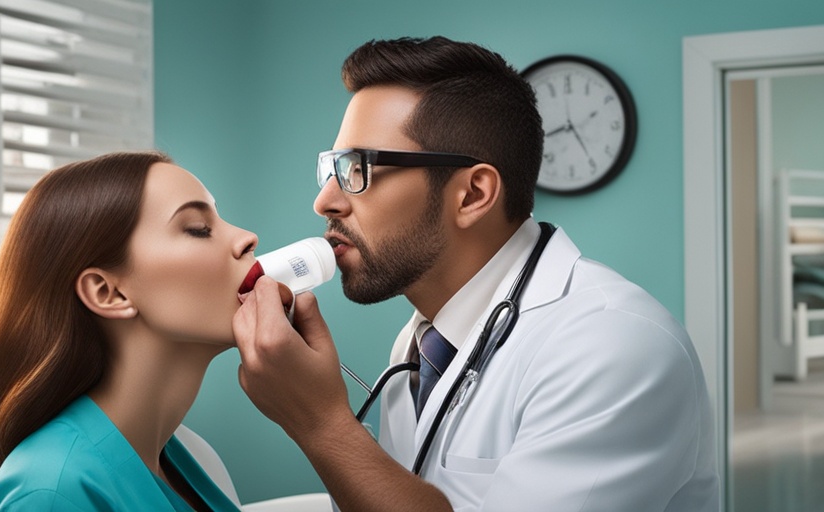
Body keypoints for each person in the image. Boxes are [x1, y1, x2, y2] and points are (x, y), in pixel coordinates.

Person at [233, 36, 719, 511]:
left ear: (472, 195)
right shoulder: (421, 345)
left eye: (357, 168)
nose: (326, 201)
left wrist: (322, 424)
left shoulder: (613, 346)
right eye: (332, 169)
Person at [0, 151, 257, 511]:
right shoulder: (51, 495)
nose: (247, 238)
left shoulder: (182, 454)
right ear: (108, 293)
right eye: (199, 229)